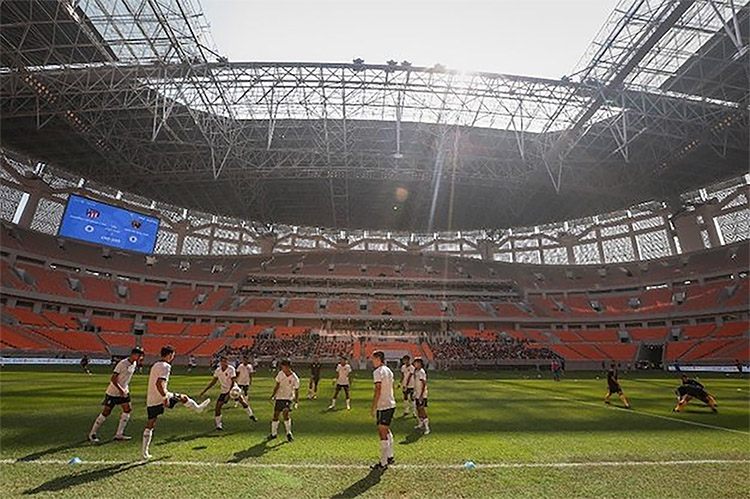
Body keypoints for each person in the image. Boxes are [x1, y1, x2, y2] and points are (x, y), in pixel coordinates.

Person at [141, 345, 211, 459]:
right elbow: (159, 383)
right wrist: (164, 397)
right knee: (183, 397)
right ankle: (198, 408)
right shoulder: (166, 366)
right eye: (173, 355)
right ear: (169, 355)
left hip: (152, 398)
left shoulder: (155, 364)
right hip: (161, 396)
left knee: (151, 423)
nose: (173, 357)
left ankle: (144, 452)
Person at [88, 347, 144, 443]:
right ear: (134, 354)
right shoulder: (122, 364)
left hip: (124, 391)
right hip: (113, 392)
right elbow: (113, 378)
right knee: (106, 412)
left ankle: (119, 434)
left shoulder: (134, 363)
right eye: (140, 355)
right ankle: (92, 434)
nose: (141, 358)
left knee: (128, 409)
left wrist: (124, 390)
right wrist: (120, 390)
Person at [199, 355, 257, 430]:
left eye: (226, 361)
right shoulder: (218, 370)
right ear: (220, 362)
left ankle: (251, 415)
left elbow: (233, 381)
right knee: (218, 406)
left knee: (242, 401)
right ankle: (219, 425)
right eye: (223, 361)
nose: (224, 363)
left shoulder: (231, 369)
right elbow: (213, 381)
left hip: (233, 389)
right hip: (224, 390)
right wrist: (204, 391)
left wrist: (229, 394)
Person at [370, 351, 396, 470]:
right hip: (391, 403)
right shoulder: (388, 370)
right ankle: (390, 456)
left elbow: (378, 389)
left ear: (379, 359)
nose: (372, 361)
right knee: (386, 429)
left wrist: (374, 406)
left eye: (374, 359)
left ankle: (383, 462)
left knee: (382, 431)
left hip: (383, 405)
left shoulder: (378, 372)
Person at [268, 359, 299, 442]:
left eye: (284, 366)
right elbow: (277, 385)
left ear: (288, 367)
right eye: (282, 366)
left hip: (288, 398)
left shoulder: (294, 377)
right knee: (275, 415)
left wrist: (296, 401)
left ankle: (289, 433)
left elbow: (296, 390)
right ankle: (273, 434)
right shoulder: (280, 374)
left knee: (285, 413)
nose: (282, 368)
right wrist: (273, 396)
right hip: (279, 397)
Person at [413, 357, 430, 434]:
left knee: (422, 409)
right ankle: (420, 424)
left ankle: (427, 427)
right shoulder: (416, 371)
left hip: (422, 394)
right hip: (417, 393)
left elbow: (423, 384)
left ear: (419, 363)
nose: (414, 364)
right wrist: (415, 393)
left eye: (416, 363)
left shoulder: (422, 372)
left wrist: (421, 395)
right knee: (418, 409)